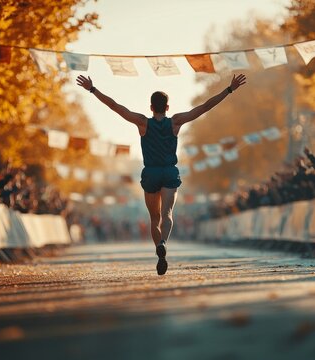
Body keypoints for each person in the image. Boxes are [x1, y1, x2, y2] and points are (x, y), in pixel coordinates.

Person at [77, 74, 247, 275]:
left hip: (150, 173)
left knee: (153, 218)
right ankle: (164, 243)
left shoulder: (142, 123)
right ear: (167, 107)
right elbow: (204, 107)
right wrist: (229, 89)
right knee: (167, 214)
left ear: (151, 107)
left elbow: (115, 106)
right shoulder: (175, 122)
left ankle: (160, 252)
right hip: (168, 172)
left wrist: (92, 89)